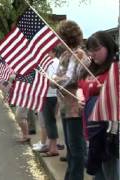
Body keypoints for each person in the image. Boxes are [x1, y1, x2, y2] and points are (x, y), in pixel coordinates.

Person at [77, 31, 119, 180]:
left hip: (108, 132)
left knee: (110, 173)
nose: (92, 54)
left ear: (108, 47)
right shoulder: (91, 67)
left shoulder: (116, 68)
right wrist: (80, 94)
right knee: (98, 172)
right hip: (92, 129)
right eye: (90, 50)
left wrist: (109, 90)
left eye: (97, 49)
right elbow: (80, 84)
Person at [54, 20, 88, 180]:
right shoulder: (65, 54)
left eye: (61, 36)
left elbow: (69, 77)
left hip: (75, 106)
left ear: (68, 37)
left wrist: (55, 81)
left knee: (76, 148)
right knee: (70, 146)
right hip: (64, 105)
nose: (59, 39)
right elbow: (59, 74)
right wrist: (55, 79)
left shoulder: (79, 54)